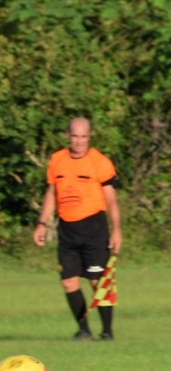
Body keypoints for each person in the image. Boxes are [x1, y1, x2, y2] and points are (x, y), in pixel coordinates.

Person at [33, 117, 123, 340]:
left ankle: (107, 332)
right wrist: (42, 223)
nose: (79, 141)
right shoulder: (57, 160)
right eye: (75, 136)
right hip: (67, 230)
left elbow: (111, 200)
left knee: (97, 282)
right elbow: (51, 194)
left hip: (94, 228)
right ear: (68, 136)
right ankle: (83, 330)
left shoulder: (100, 162)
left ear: (89, 137)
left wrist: (116, 229)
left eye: (83, 136)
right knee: (68, 281)